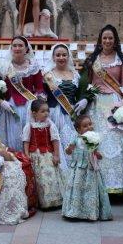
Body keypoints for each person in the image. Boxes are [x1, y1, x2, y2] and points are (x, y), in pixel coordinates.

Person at [84, 25, 123, 195]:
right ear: (100, 40)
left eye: (110, 38)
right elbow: (87, 83)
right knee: (97, 141)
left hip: (115, 103)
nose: (107, 41)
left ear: (115, 40)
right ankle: (98, 185)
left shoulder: (121, 59)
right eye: (104, 38)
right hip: (96, 105)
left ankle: (119, 185)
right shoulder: (93, 60)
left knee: (117, 142)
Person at [0, 36, 45, 152]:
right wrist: (1, 101)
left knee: (28, 136)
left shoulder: (33, 66)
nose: (17, 48)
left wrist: (39, 106)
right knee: (11, 136)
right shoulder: (5, 66)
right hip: (9, 107)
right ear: (11, 48)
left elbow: (39, 88)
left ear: (26, 48)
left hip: (29, 106)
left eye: (20, 45)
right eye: (15, 46)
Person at [62, 115, 113, 221]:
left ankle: (90, 212)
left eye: (90, 124)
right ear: (78, 130)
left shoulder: (94, 139)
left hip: (90, 168)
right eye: (85, 126)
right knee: (77, 189)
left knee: (90, 190)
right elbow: (68, 151)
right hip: (78, 169)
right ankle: (75, 211)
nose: (89, 127)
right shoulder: (75, 138)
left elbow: (97, 153)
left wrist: (98, 155)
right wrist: (69, 149)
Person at [42, 43, 83, 172]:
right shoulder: (48, 75)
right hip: (53, 113)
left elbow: (79, 94)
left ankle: (73, 173)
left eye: (64, 55)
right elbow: (43, 95)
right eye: (58, 55)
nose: (61, 57)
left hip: (71, 113)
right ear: (53, 57)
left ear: (68, 56)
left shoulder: (75, 75)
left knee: (71, 143)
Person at [22, 100, 64, 209]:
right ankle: (41, 202)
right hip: (35, 157)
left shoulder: (50, 124)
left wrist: (56, 155)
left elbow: (55, 140)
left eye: (47, 111)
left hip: (48, 155)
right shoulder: (29, 126)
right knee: (39, 179)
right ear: (34, 113)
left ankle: (53, 200)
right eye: (43, 111)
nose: (46, 113)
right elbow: (26, 141)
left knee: (50, 178)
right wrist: (26, 155)